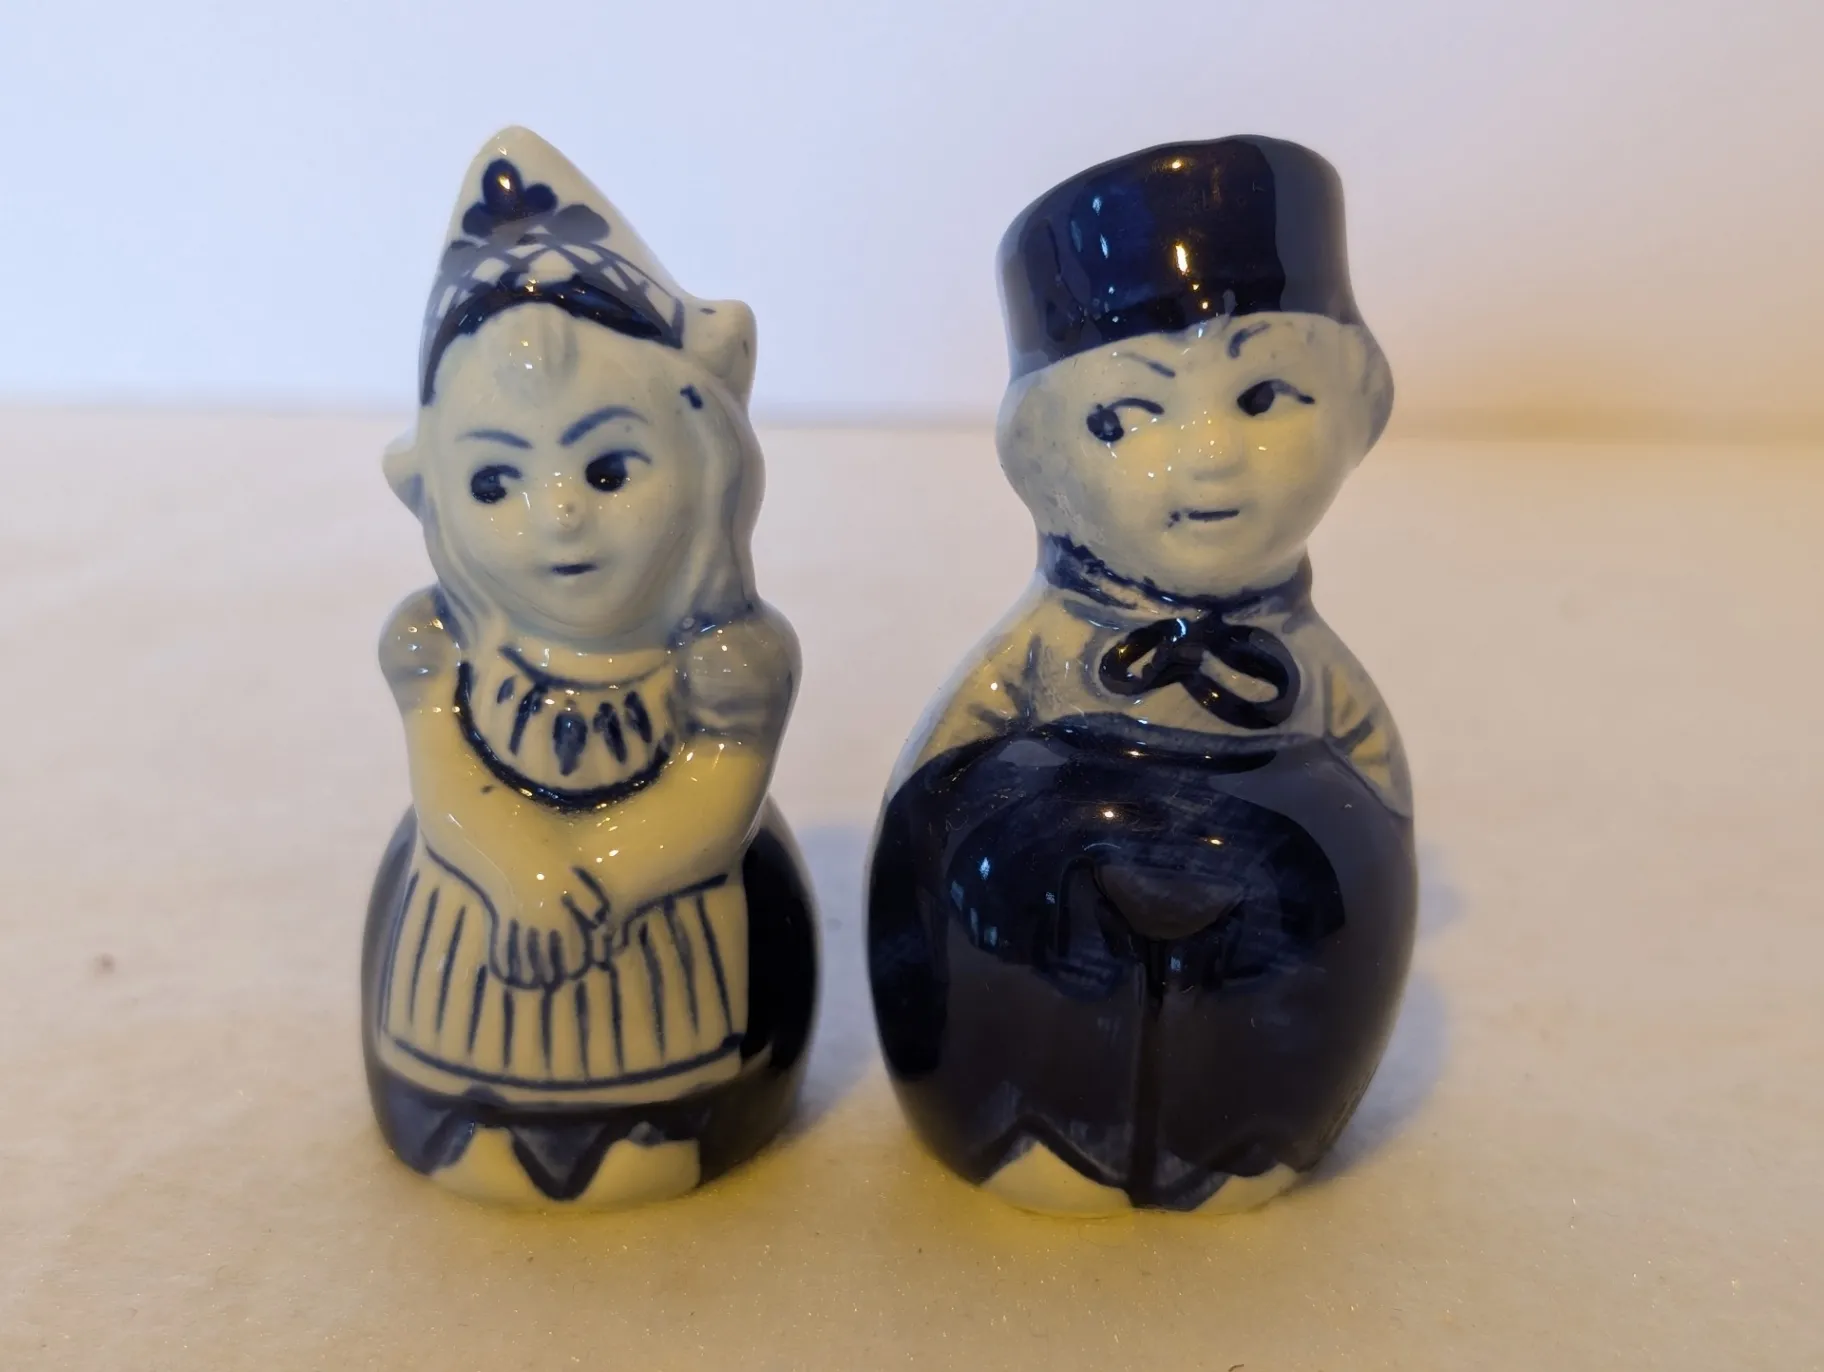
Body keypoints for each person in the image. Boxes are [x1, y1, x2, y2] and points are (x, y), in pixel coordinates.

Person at [869, 136, 1416, 1215]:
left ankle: (1247, 1139)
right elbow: (925, 812)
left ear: (1357, 413)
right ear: (1044, 459)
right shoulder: (1030, 661)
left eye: (1264, 396)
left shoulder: (1323, 681)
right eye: (1128, 417)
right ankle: (1029, 1126)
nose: (1209, 456)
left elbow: (1383, 818)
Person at [363, 128, 815, 1207]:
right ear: (429, 491)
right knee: (466, 1095)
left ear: (703, 461)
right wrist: (516, 869)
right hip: (470, 928)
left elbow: (717, 798)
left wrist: (598, 886)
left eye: (609, 468)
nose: (557, 515)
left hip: (666, 939)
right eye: (495, 484)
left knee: (658, 1117)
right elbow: (444, 780)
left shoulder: (726, 663)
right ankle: (466, 1119)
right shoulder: (440, 652)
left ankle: (670, 1125)